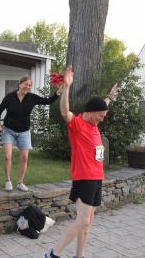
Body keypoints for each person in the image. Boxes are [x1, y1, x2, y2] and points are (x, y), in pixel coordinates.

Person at [43, 67, 118, 258]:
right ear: (91, 112)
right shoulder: (77, 125)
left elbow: (103, 105)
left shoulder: (94, 123)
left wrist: (109, 97)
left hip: (97, 178)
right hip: (84, 177)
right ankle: (53, 254)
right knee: (83, 221)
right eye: (101, 115)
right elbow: (64, 111)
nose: (103, 119)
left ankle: (80, 255)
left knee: (88, 221)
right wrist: (67, 87)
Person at [0, 76, 60, 192]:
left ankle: (20, 182)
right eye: (26, 84)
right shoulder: (9, 97)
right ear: (20, 84)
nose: (28, 87)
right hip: (9, 130)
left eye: (30, 85)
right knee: (7, 156)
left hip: (24, 132)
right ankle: (8, 180)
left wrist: (58, 93)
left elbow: (47, 101)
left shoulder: (31, 98)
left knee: (24, 158)